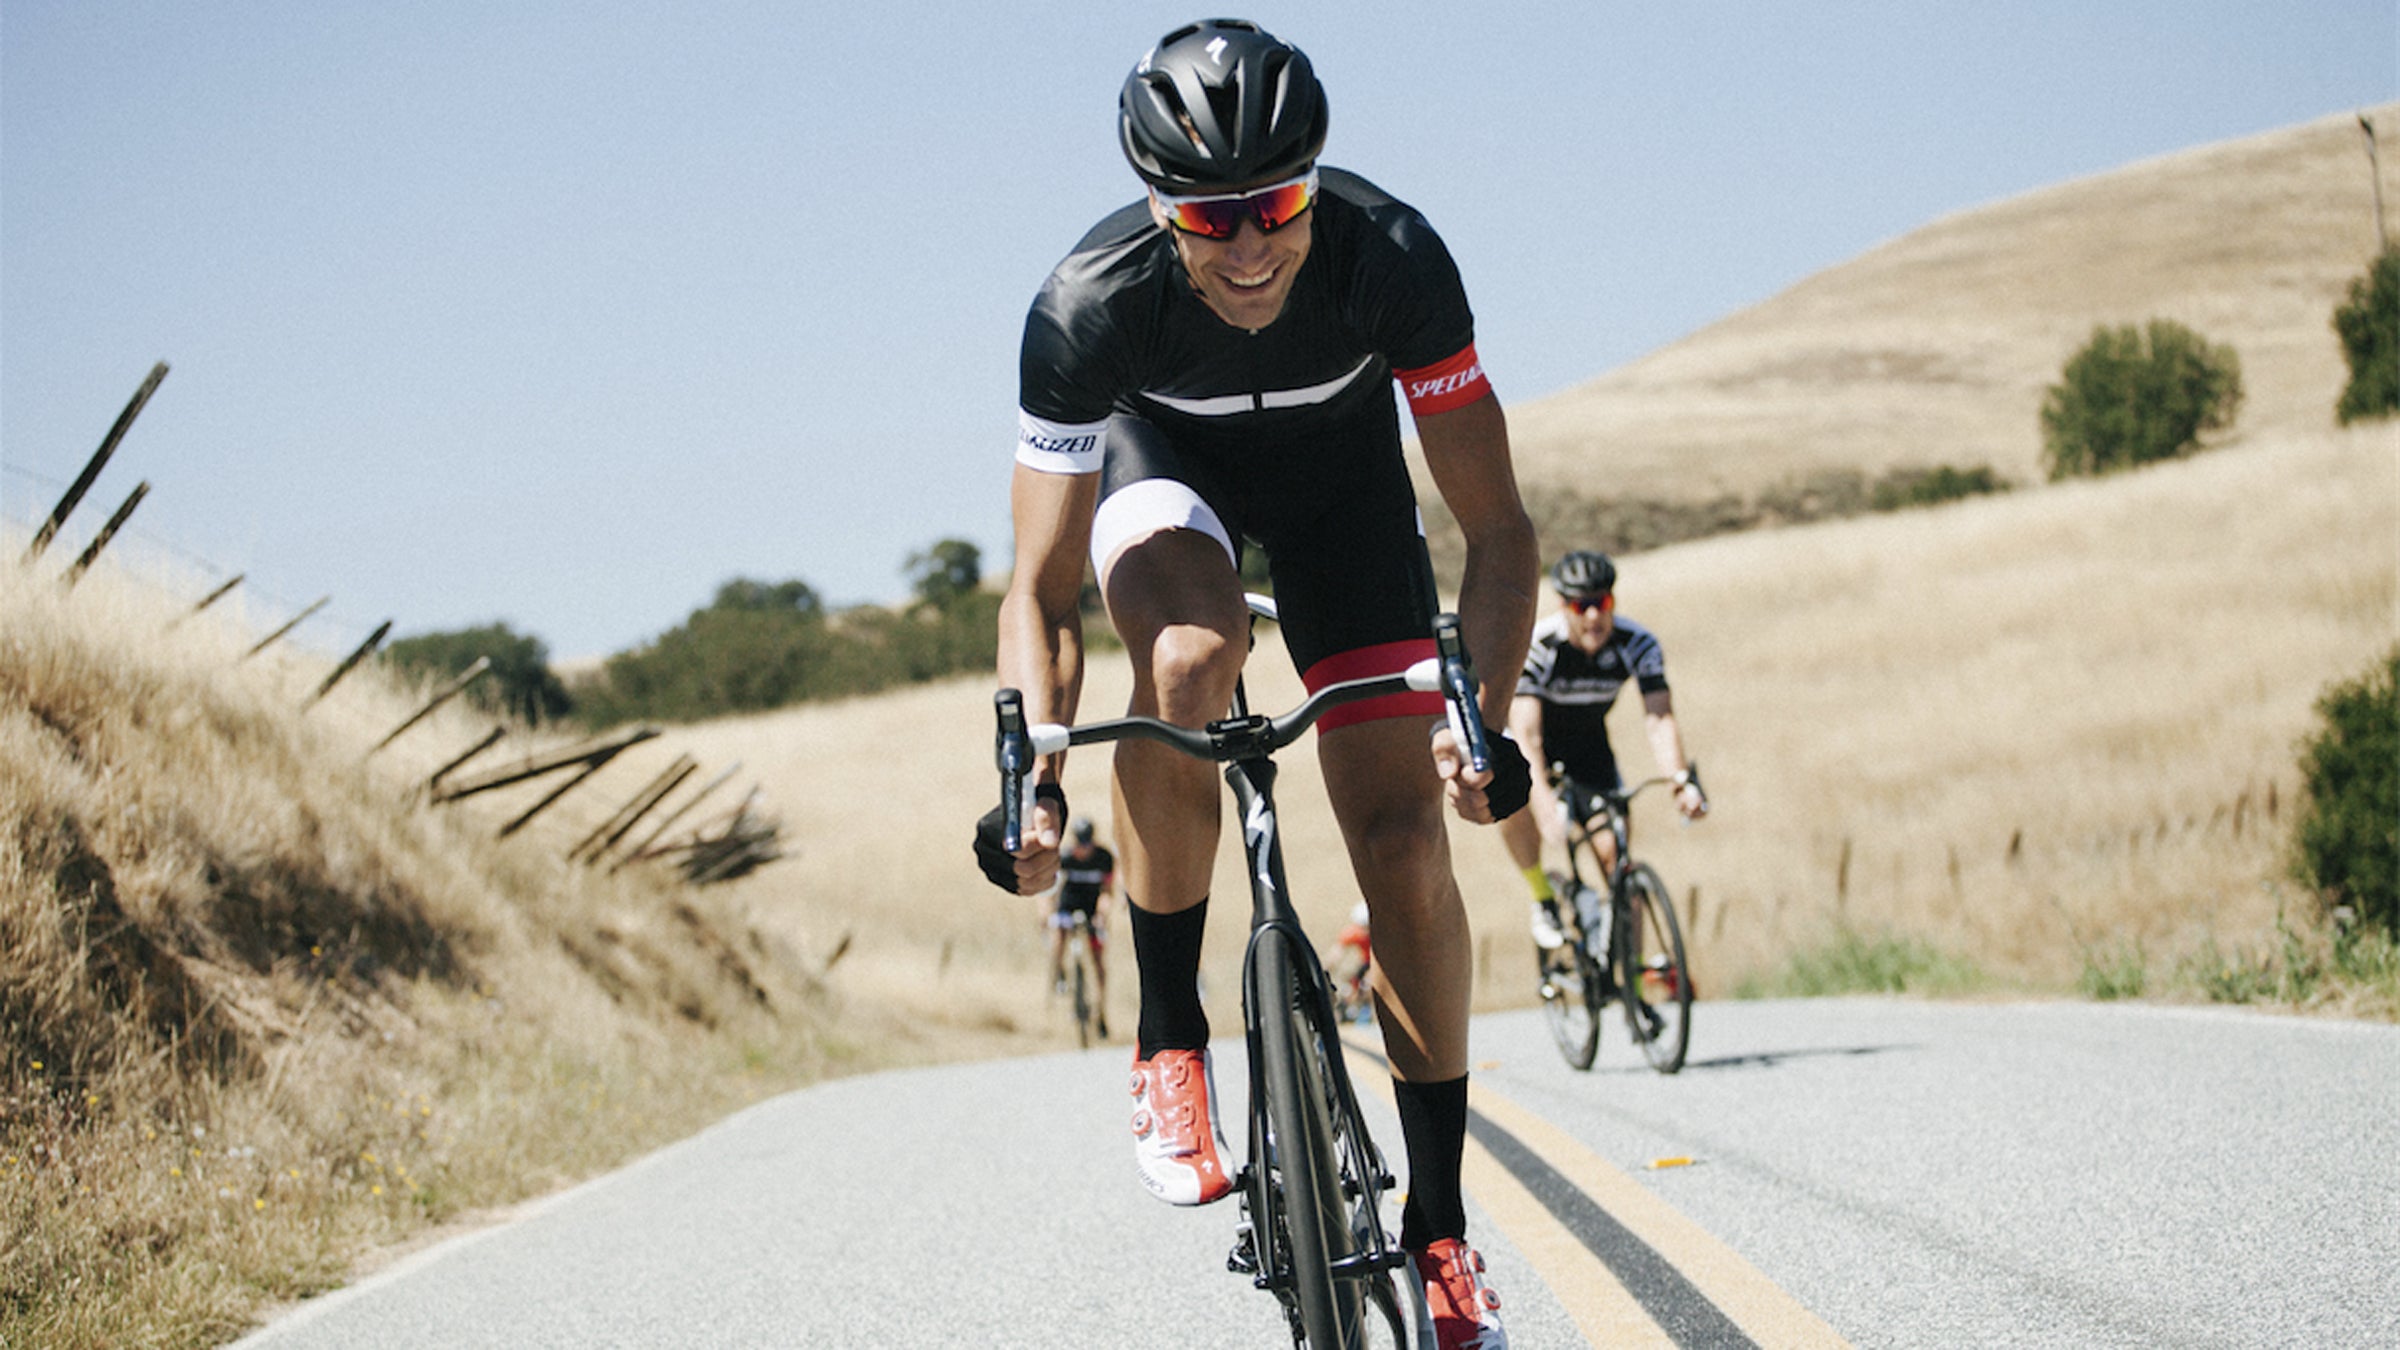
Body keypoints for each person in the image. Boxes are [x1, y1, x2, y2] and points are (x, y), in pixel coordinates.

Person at [971, 19, 1536, 1347]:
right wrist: (1032, 782)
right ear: (1161, 211)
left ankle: (1441, 1230)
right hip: (1168, 478)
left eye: (1277, 204)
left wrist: (1487, 723)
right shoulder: (1085, 308)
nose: (1249, 247)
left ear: (1315, 183)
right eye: (1210, 218)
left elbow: (1501, 531)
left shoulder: (1391, 258)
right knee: (1182, 662)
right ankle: (1173, 1034)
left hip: (1347, 500)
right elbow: (1038, 590)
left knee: (1403, 845)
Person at [1500, 550, 1706, 951]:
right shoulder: (1539, 647)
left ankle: (1633, 981)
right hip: (1532, 747)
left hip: (1590, 748)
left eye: (1602, 604)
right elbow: (1527, 735)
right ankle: (1542, 895)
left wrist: (1680, 782)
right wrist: (1545, 808)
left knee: (1617, 860)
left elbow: (1659, 718)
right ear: (1564, 607)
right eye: (1582, 606)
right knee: (1513, 801)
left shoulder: (1637, 644)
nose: (1594, 616)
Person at [1047, 816, 1115, 1039]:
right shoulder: (1064, 858)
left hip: (1091, 909)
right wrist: (1050, 914)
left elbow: (1107, 891)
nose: (1083, 849)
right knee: (1058, 936)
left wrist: (1102, 916)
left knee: (1098, 961)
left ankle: (1100, 1011)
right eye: (1080, 843)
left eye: (1087, 843)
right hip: (1068, 906)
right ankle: (1060, 974)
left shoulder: (1104, 858)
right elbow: (1051, 891)